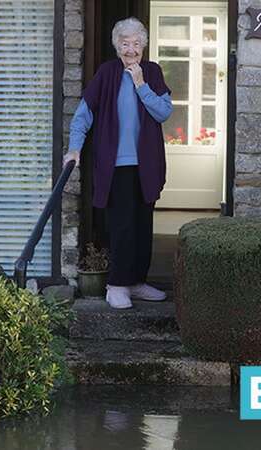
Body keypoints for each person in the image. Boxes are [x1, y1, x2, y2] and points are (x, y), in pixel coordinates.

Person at [64, 17, 173, 309]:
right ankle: (116, 285)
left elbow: (163, 112)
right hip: (117, 166)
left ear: (143, 46)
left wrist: (141, 85)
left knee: (142, 226)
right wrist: (74, 149)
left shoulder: (152, 72)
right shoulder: (107, 73)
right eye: (125, 43)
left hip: (146, 165)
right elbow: (83, 115)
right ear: (117, 46)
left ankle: (136, 282)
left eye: (136, 43)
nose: (131, 49)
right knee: (122, 227)